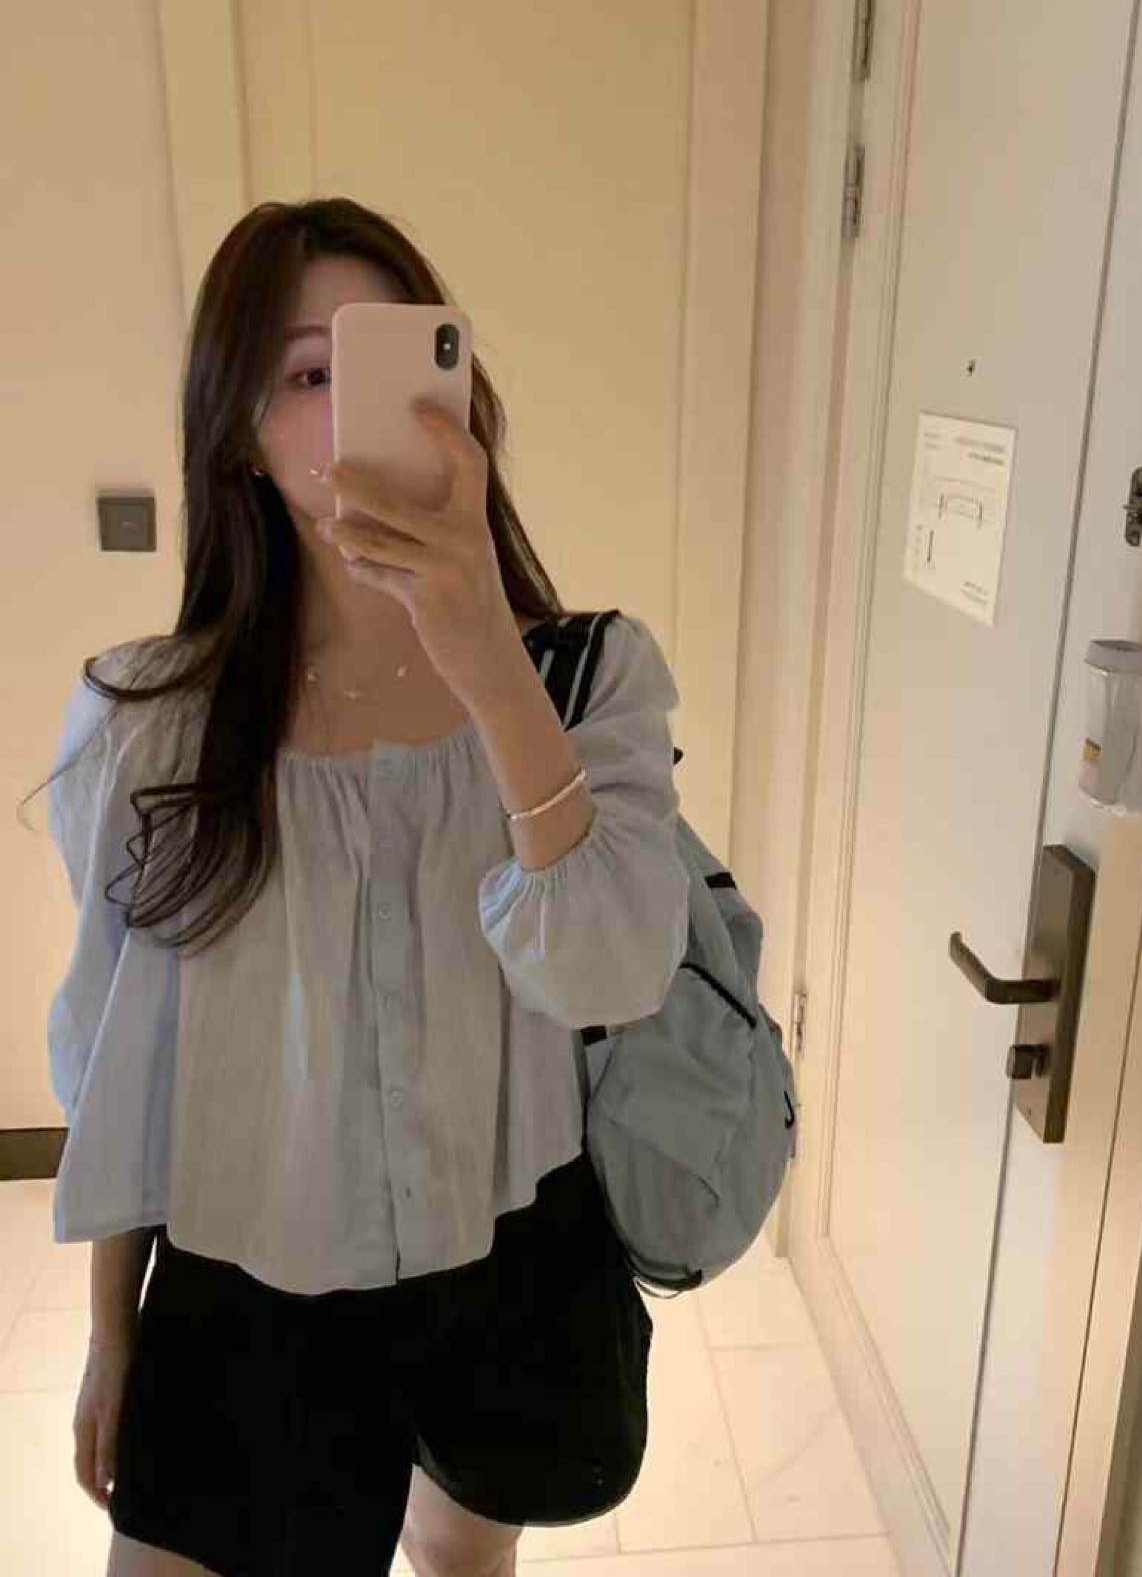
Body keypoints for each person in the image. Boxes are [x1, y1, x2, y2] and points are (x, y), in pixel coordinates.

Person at [35, 198, 690, 1577]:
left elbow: (614, 970)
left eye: (390, 360)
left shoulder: (588, 681)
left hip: (503, 1259)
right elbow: (122, 1059)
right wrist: (111, 1330)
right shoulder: (149, 724)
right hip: (249, 1281)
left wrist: (485, 660)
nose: (350, 415)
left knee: (461, 1563)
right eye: (306, 374)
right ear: (239, 433)